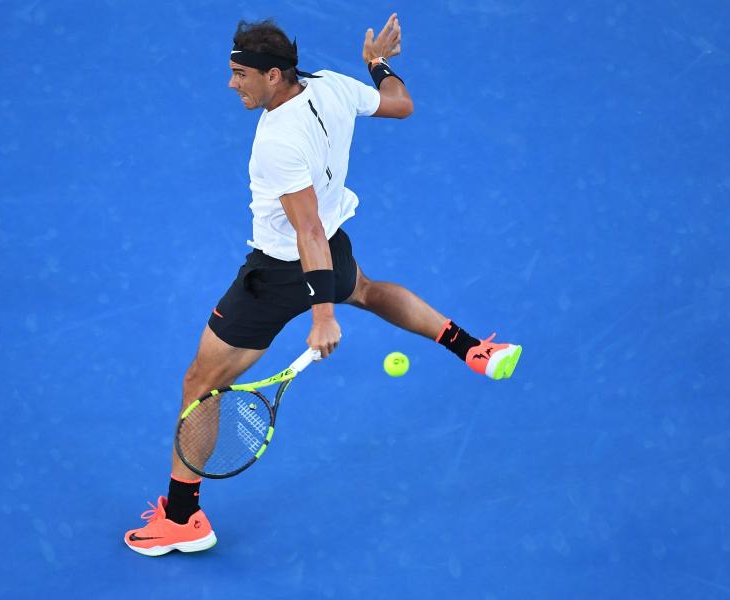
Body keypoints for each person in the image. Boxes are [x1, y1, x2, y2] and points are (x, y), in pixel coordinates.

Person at [124, 14, 522, 556]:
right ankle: (473, 348)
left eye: (240, 74)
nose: (231, 83)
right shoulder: (332, 84)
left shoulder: (276, 139)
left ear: (271, 76)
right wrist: (379, 66)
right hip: (333, 249)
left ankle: (182, 517)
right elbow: (401, 104)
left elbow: (304, 227)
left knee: (201, 385)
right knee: (367, 290)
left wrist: (321, 315)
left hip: (282, 272)